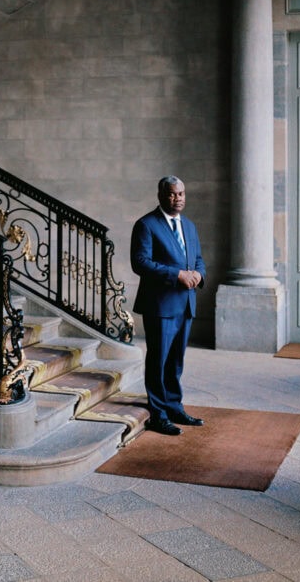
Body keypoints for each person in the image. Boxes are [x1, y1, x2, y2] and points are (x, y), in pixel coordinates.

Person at [130, 176, 206, 436]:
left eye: (182, 194)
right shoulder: (146, 225)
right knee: (159, 361)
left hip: (185, 304)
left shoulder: (190, 226)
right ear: (161, 195)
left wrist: (198, 275)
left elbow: (198, 259)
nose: (179, 199)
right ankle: (158, 414)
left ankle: (174, 407)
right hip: (160, 306)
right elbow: (140, 262)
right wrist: (177, 275)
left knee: (175, 362)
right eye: (173, 194)